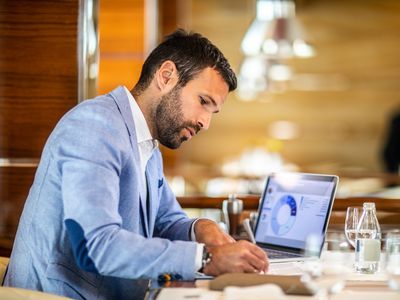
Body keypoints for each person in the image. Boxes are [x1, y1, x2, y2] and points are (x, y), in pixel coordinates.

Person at [4, 29, 268, 300]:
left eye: (213, 112)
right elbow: (96, 246)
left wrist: (203, 229)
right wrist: (205, 258)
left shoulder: (149, 148)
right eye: (203, 102)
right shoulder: (94, 127)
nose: (205, 122)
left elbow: (166, 221)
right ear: (166, 77)